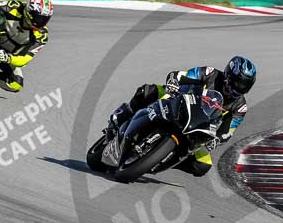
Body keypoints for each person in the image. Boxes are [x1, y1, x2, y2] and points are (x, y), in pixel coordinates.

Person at [109, 56, 258, 177]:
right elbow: (180, 75)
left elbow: (228, 131)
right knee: (147, 91)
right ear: (228, 75)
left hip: (200, 129)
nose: (239, 88)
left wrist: (217, 139)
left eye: (244, 86)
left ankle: (161, 158)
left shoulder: (240, 107)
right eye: (237, 83)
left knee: (203, 165)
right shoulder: (210, 74)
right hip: (179, 101)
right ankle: (124, 115)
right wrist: (174, 83)